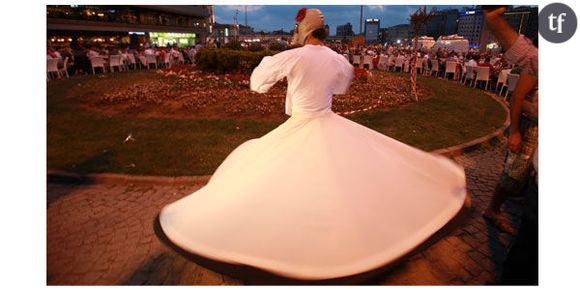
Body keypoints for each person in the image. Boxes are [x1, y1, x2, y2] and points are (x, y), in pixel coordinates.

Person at [158, 8, 467, 281]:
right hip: (326, 119)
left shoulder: (292, 56)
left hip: (302, 122)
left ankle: (296, 244)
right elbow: (342, 86)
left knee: (280, 174)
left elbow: (258, 83)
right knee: (333, 179)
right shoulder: (336, 59)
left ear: (303, 30)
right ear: (323, 30)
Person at [482, 5, 538, 284]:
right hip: (533, 133)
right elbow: (518, 97)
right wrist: (515, 130)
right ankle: (493, 208)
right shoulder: (542, 61)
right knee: (513, 176)